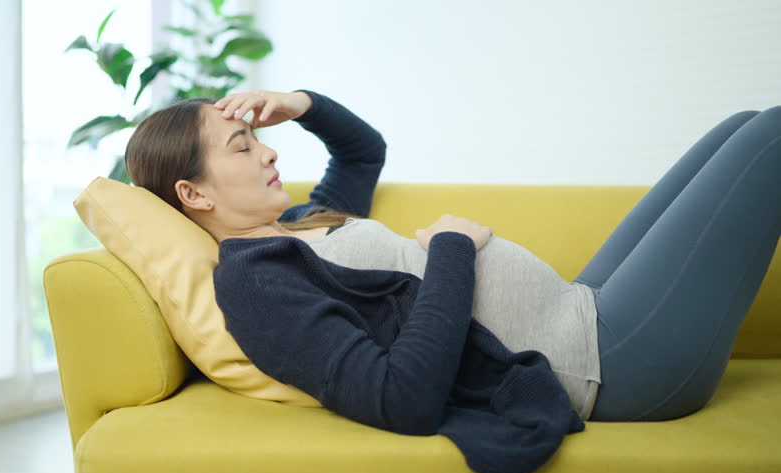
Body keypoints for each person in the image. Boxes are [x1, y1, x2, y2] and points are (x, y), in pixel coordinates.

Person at [124, 88, 781, 427]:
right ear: (193, 193)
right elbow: (400, 398)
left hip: (586, 305)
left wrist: (301, 105)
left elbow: (362, 153)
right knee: (770, 135)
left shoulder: (301, 221)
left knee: (740, 125)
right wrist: (451, 250)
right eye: (241, 147)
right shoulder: (259, 284)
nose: (269, 153)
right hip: (612, 366)